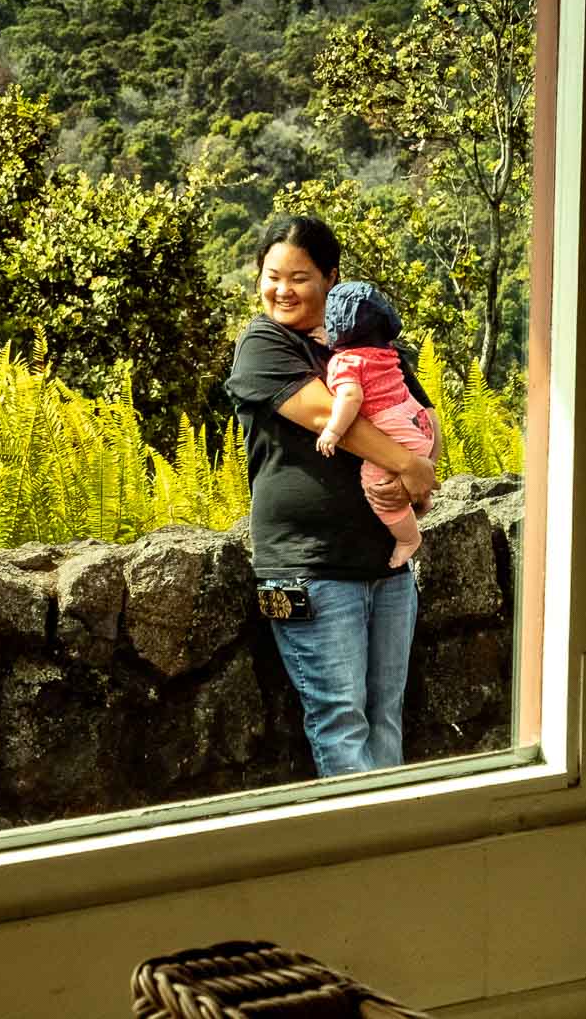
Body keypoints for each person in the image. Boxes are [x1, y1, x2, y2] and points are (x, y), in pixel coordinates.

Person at [225, 215, 438, 775]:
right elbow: (326, 413)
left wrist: (420, 476)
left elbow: (419, 416)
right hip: (308, 570)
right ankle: (368, 854)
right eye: (273, 276)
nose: (282, 290)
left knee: (386, 717)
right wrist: (409, 464)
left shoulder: (372, 346)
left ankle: (392, 850)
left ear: (331, 278)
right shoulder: (264, 345)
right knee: (341, 722)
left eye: (299, 276)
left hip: (387, 570)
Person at [313, 280, 441, 569]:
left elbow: (351, 396)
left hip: (397, 432)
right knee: (399, 478)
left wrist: (333, 431)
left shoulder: (345, 363)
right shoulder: (385, 353)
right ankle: (421, 503)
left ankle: (409, 538)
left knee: (375, 484)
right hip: (419, 425)